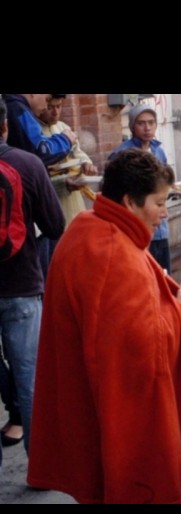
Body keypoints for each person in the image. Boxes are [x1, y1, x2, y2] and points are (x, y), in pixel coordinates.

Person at [27, 149, 181, 503]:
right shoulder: (113, 251)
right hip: (118, 417)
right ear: (130, 201)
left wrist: (169, 297)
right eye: (159, 203)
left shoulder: (90, 226)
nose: (164, 213)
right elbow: (141, 349)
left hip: (84, 401)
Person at [0, 97, 65, 461]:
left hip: (20, 287)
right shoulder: (28, 163)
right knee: (30, 377)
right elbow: (55, 225)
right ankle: (40, 463)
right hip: (22, 284)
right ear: (5, 126)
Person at [36, 94, 99, 280]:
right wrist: (64, 184)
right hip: (53, 205)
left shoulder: (64, 128)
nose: (55, 112)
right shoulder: (34, 135)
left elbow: (78, 153)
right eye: (50, 107)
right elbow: (39, 179)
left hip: (75, 203)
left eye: (59, 106)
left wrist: (86, 163)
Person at [110, 104, 172, 273]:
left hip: (159, 227)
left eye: (151, 123)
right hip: (136, 227)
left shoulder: (158, 151)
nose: (147, 128)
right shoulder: (123, 154)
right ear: (132, 127)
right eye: (141, 123)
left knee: (163, 275)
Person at [1, 94, 75, 166]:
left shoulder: (10, 104)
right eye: (47, 99)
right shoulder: (19, 110)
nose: (45, 107)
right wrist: (66, 139)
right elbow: (41, 151)